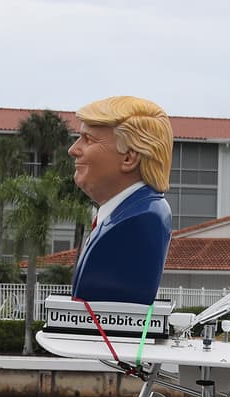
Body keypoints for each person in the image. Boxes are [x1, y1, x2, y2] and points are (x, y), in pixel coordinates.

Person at [68, 96, 173, 305]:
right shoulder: (126, 213)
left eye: (88, 140)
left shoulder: (141, 219)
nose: (73, 150)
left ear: (129, 158)